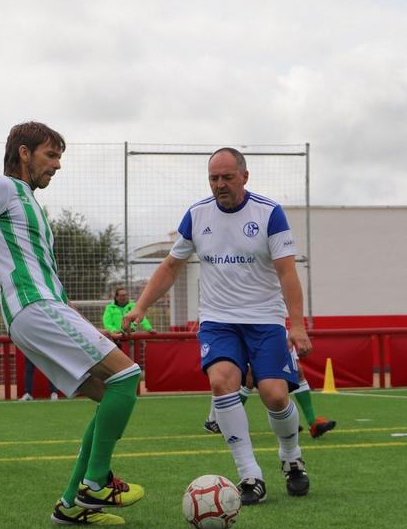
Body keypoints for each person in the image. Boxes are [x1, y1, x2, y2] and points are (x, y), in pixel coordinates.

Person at [0, 122, 144, 526]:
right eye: (51, 155)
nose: (58, 165)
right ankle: (95, 484)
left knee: (110, 394)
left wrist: (76, 319)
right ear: (24, 153)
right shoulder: (1, 186)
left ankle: (72, 505)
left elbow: (43, 272)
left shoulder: (29, 202)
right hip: (33, 307)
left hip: (43, 310)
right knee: (128, 375)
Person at [123, 146, 312, 506]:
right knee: (221, 383)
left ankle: (291, 457)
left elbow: (287, 272)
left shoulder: (269, 212)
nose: (220, 184)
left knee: (275, 394)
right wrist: (140, 306)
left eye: (227, 177)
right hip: (218, 320)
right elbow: (170, 266)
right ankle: (250, 475)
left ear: (244, 176)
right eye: (214, 178)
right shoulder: (197, 215)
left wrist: (298, 325)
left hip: (265, 319)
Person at [204, 365, 337, 439]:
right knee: (249, 377)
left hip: (274, 328)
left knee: (297, 371)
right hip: (251, 329)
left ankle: (312, 423)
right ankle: (222, 423)